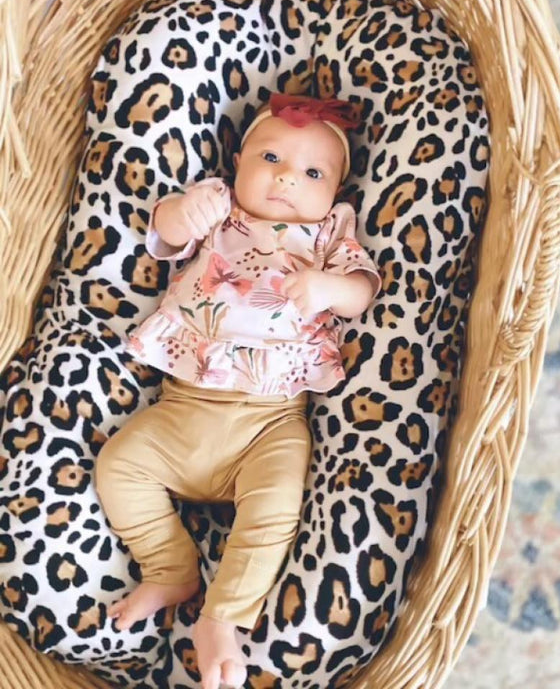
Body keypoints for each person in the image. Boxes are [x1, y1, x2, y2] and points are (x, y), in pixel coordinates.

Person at [95, 93, 381, 689]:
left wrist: (329, 287)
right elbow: (164, 233)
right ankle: (170, 566)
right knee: (118, 465)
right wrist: (184, 210)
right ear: (239, 162)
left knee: (276, 504)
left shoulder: (331, 231)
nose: (286, 177)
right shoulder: (219, 208)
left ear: (335, 191)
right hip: (183, 407)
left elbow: (361, 291)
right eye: (271, 157)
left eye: (313, 172)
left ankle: (223, 617)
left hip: (269, 422)